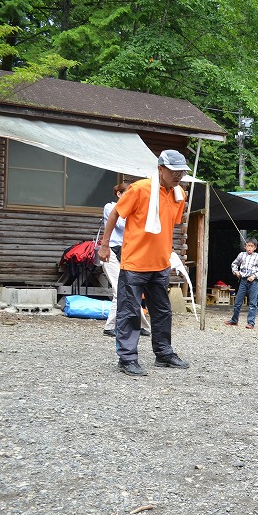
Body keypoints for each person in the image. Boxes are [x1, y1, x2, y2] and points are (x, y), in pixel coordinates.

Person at [98, 150, 190, 376]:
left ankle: (164, 353)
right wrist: (105, 244)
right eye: (174, 171)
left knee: (162, 311)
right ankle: (127, 358)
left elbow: (170, 225)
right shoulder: (140, 189)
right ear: (161, 169)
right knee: (129, 311)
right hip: (135, 263)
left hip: (160, 263)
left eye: (182, 172)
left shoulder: (179, 194)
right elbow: (115, 214)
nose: (179, 176)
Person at [100, 181, 150, 338]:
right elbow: (121, 224)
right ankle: (110, 326)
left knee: (132, 290)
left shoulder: (132, 210)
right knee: (118, 290)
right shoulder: (110, 207)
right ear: (119, 194)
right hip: (111, 253)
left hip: (127, 253)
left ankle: (141, 325)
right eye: (126, 193)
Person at [224, 238, 258, 329]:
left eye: (252, 246)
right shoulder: (241, 255)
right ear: (245, 246)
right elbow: (234, 264)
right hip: (243, 281)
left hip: (253, 282)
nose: (250, 248)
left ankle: (251, 323)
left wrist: (254, 276)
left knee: (253, 303)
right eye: (248, 246)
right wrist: (236, 272)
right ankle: (234, 320)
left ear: (255, 248)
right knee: (238, 302)